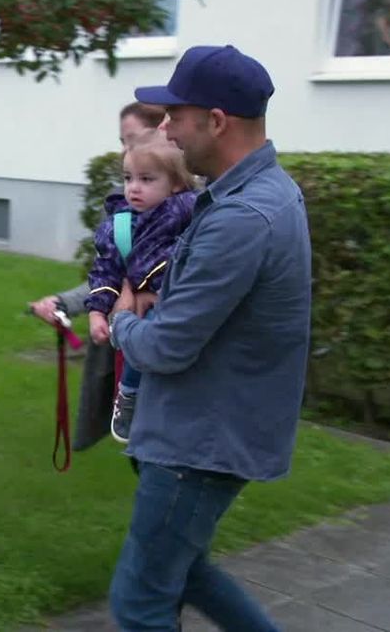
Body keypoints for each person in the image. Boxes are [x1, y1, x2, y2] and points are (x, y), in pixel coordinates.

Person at [105, 45, 311, 631]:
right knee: (184, 569)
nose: (164, 127)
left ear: (216, 121)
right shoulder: (252, 195)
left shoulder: (244, 216)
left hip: (200, 442)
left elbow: (166, 344)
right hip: (203, 429)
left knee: (141, 600)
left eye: (176, 114)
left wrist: (121, 317)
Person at [31, 102, 166, 451]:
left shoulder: (185, 212)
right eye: (123, 141)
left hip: (163, 358)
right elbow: (107, 273)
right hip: (128, 344)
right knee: (144, 454)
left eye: (133, 140)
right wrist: (68, 303)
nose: (125, 151)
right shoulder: (128, 215)